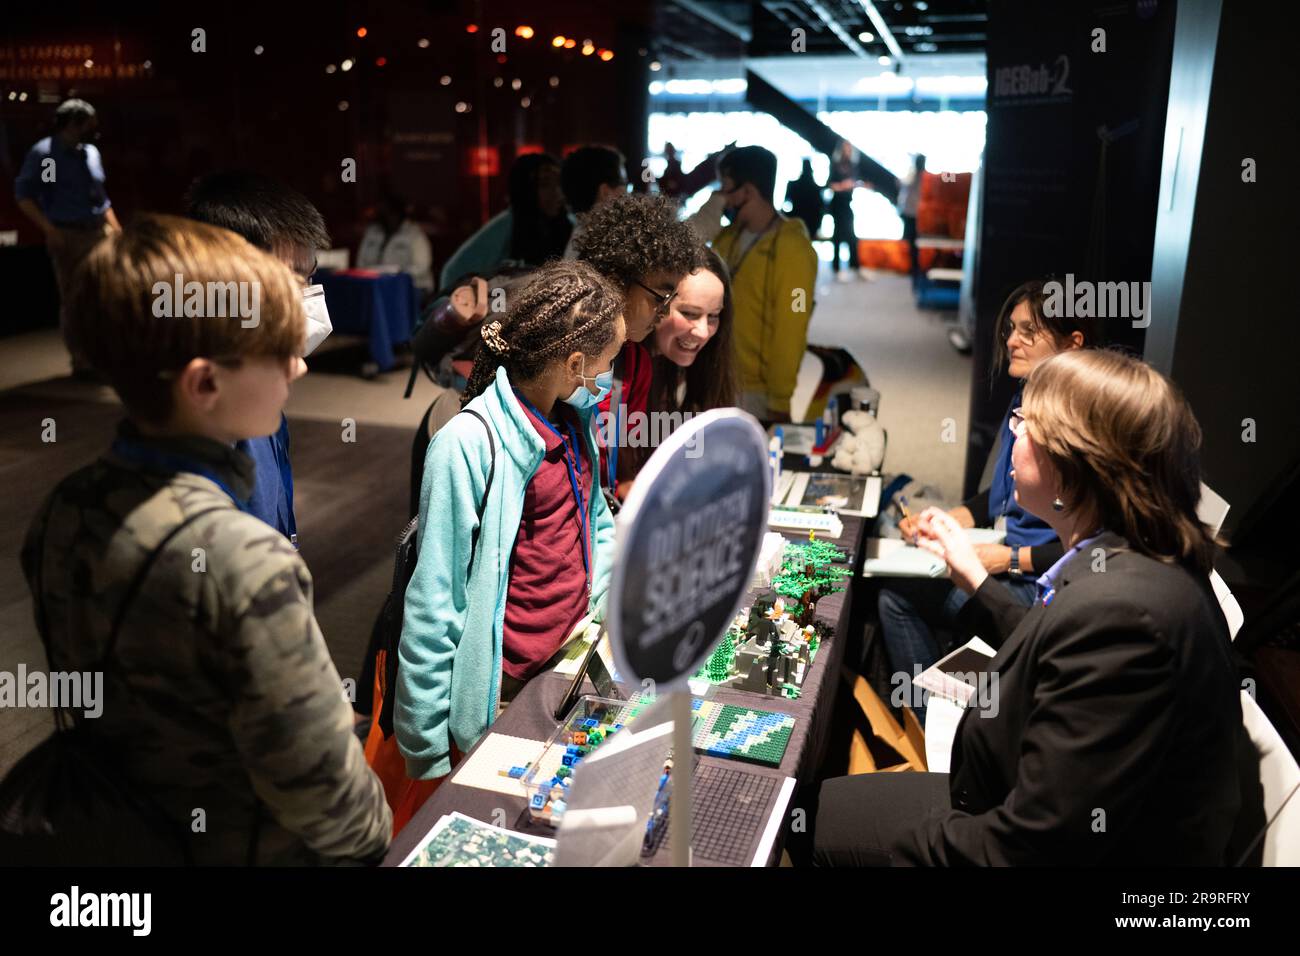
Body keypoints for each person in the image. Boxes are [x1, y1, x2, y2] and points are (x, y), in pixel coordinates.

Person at [23, 214, 391, 864]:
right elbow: (325, 796)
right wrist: (377, 835)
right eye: (279, 352)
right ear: (205, 384)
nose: (300, 366)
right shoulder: (243, 559)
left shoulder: (64, 505)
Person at [815, 349, 1257, 866]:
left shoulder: (1125, 616)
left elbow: (1029, 849)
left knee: (817, 824)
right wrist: (974, 576)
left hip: (1022, 831)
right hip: (1002, 795)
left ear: (1075, 461)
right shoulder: (1126, 552)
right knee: (826, 803)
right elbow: (1051, 637)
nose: (1013, 431)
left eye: (1026, 421)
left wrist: (893, 852)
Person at [395, 260, 624, 788]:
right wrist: (426, 749)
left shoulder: (573, 419)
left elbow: (595, 523)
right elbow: (435, 598)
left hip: (569, 661)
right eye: (608, 363)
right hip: (505, 690)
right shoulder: (467, 445)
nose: (609, 380)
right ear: (574, 363)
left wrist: (605, 607)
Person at [879, 279, 1099, 722]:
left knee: (895, 598)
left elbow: (1091, 548)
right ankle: (935, 720)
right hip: (1008, 558)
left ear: (1073, 343)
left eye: (1028, 332)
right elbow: (1003, 493)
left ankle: (932, 730)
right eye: (1011, 330)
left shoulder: (1079, 428)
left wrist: (1005, 560)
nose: (1011, 341)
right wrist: (949, 518)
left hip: (1036, 586)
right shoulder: (1026, 396)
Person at [186, 171, 331, 547]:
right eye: (290, 281)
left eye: (309, 279)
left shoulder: (261, 408)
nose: (306, 297)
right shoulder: (202, 426)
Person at [574, 193, 702, 498]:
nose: (665, 312)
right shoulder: (557, 359)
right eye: (660, 298)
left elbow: (623, 472)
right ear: (616, 281)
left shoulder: (635, 363)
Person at [712, 145, 818, 423]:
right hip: (720, 376)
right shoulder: (727, 237)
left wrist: (780, 399)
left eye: (725, 187)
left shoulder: (792, 248)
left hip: (757, 392)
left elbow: (791, 327)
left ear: (747, 191)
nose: (720, 197)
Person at [14, 98, 123, 358]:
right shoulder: (47, 156)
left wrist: (117, 230)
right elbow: (29, 195)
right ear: (74, 124)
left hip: (98, 231)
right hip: (69, 233)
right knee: (76, 297)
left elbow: (101, 197)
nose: (93, 129)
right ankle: (83, 358)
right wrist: (50, 229)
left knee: (106, 294)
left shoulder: (90, 153)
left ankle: (105, 352)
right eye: (88, 124)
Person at [438, 152, 571, 290]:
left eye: (559, 184)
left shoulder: (567, 224)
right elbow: (453, 273)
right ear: (524, 188)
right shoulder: (506, 226)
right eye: (545, 185)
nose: (557, 193)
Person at [646, 247, 738, 417]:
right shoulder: (615, 371)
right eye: (689, 313)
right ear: (655, 304)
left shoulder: (707, 369)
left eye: (713, 315)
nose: (703, 332)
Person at [357, 192, 434, 294]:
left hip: (412, 287)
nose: (388, 218)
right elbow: (360, 264)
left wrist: (396, 274)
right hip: (376, 286)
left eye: (391, 213)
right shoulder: (372, 233)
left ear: (400, 213)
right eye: (384, 214)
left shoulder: (414, 234)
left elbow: (422, 267)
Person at [560, 145, 627, 259]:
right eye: (625, 184)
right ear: (605, 192)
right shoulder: (602, 253)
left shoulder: (578, 242)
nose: (628, 194)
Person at [828, 139, 867, 282]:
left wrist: (853, 185)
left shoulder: (852, 165)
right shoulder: (835, 165)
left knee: (851, 235)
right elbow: (831, 185)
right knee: (837, 235)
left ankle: (855, 266)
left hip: (847, 203)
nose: (847, 151)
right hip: (837, 204)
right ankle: (837, 268)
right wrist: (843, 186)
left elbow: (855, 182)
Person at [897, 153, 925, 289]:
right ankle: (911, 268)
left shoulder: (917, 175)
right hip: (912, 212)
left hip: (912, 212)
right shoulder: (920, 176)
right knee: (911, 243)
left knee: (912, 243)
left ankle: (913, 268)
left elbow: (901, 182)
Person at [785, 159, 824, 243]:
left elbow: (787, 201)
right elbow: (821, 207)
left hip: (797, 218)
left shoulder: (794, 185)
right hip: (811, 221)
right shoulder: (815, 188)